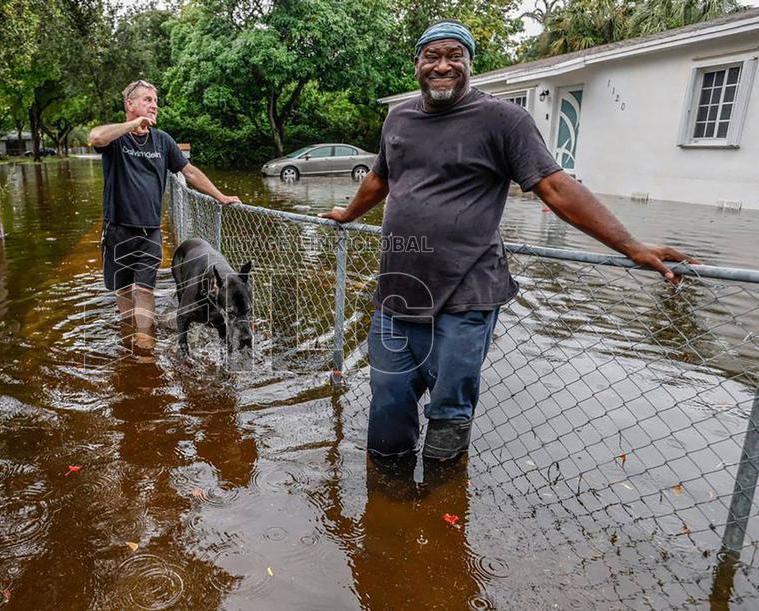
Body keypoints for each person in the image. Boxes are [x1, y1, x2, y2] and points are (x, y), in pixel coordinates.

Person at [320, 20, 697, 463]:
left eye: (454, 56)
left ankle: (442, 496)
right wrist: (347, 214)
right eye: (432, 56)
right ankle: (390, 500)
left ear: (469, 63)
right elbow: (379, 178)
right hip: (397, 295)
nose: (442, 66)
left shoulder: (504, 120)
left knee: (449, 412)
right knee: (386, 403)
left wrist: (632, 246)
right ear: (417, 63)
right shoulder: (398, 118)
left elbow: (555, 189)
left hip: (466, 296)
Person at [88, 79, 241, 351]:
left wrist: (220, 196)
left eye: (155, 100)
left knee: (145, 290)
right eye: (147, 99)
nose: (154, 104)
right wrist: (133, 125)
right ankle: (128, 337)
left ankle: (144, 346)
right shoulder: (116, 139)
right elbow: (95, 137)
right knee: (123, 291)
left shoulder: (162, 141)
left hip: (150, 230)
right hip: (117, 230)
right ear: (130, 104)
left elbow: (189, 172)